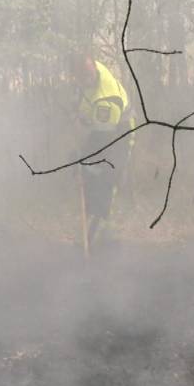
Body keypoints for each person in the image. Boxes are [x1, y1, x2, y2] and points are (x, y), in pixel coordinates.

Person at [74, 55, 136, 252]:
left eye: (87, 74)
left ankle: (104, 232)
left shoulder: (105, 97)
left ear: (91, 70)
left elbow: (103, 136)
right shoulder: (91, 73)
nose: (85, 78)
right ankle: (94, 226)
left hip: (119, 136)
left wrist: (84, 151)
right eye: (81, 75)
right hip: (102, 131)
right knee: (89, 173)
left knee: (107, 180)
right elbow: (86, 108)